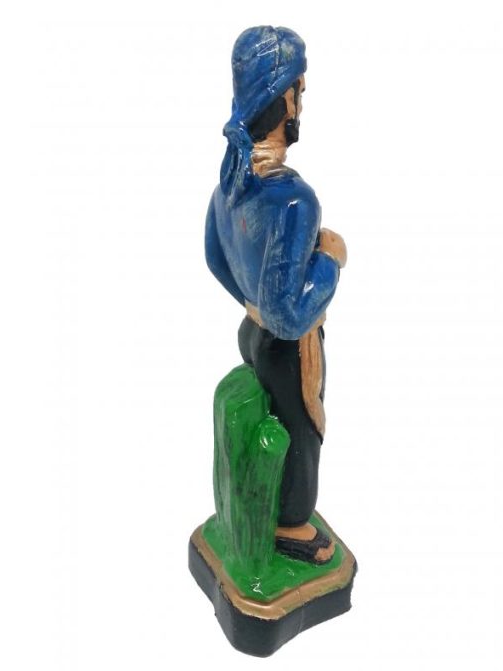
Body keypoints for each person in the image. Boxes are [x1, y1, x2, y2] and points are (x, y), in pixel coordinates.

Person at [205, 26, 347, 564]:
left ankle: (260, 507)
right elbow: (289, 316)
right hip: (287, 349)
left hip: (250, 332)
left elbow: (215, 256)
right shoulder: (293, 201)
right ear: (283, 100)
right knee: (301, 432)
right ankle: (291, 524)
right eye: (299, 92)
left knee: (277, 425)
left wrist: (251, 300)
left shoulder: (231, 184)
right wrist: (329, 261)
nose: (301, 104)